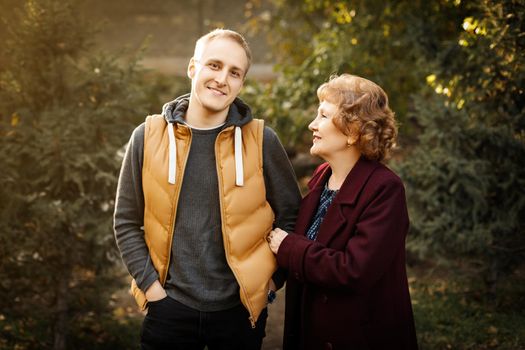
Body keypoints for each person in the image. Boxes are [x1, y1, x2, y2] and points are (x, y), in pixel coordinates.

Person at [114, 28, 301, 350]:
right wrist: (152, 289)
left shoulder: (261, 141)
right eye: (214, 65)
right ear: (192, 68)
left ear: (241, 83)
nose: (222, 79)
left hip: (239, 315)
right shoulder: (147, 136)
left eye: (234, 72)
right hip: (168, 310)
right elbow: (126, 221)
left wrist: (270, 283)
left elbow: (293, 217)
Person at [268, 74, 418, 350]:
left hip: (359, 336)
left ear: (352, 131)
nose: (312, 124)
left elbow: (354, 271)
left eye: (323, 116)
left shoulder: (385, 189)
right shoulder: (322, 176)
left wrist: (289, 247)